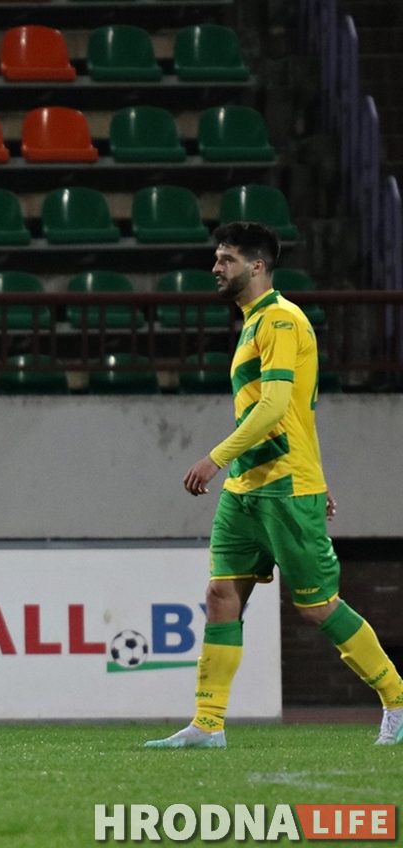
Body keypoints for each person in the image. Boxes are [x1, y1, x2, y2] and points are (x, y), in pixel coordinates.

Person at [146, 222, 403, 749]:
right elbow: (300, 415)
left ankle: (397, 698)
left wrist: (215, 459)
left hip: (285, 489)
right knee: (221, 595)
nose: (216, 267)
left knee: (316, 608)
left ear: (257, 266)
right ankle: (208, 724)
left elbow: (276, 406)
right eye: (217, 258)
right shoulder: (254, 323)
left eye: (226, 259)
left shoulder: (281, 320)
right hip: (247, 489)